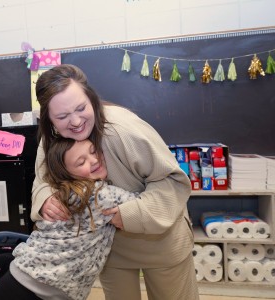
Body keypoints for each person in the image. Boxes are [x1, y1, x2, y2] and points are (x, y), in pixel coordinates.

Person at [32, 64, 199, 300]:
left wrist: (131, 213)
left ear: (92, 99)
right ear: (48, 120)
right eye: (62, 116)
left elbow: (173, 181)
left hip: (162, 243)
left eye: (81, 108)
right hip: (109, 248)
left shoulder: (124, 129)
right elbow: (43, 178)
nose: (76, 121)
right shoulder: (53, 138)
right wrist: (45, 198)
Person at [0, 138, 137, 300]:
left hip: (20, 282)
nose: (94, 160)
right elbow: (142, 205)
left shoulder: (62, 192)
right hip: (33, 292)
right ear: (67, 174)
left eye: (94, 151)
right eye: (81, 163)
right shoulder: (99, 195)